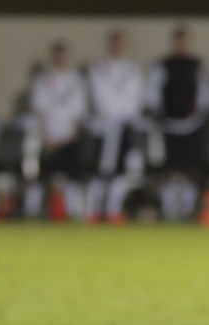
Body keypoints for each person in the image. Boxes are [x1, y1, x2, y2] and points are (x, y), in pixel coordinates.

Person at [145, 26, 209, 221]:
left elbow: (206, 94)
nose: (181, 45)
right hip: (168, 124)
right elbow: (153, 92)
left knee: (191, 170)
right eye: (178, 41)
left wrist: (197, 117)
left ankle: (188, 211)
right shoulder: (163, 65)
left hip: (192, 125)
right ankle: (169, 211)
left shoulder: (197, 65)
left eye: (184, 41)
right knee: (169, 169)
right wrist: (159, 115)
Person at [86, 30, 145, 223]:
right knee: (102, 172)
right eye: (115, 43)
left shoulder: (132, 69)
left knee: (124, 172)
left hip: (127, 127)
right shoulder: (99, 68)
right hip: (105, 129)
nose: (118, 47)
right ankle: (93, 211)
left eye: (121, 43)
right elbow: (99, 97)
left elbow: (137, 98)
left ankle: (113, 210)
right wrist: (110, 118)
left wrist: (129, 119)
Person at [27, 40, 88, 220]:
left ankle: (74, 212)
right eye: (58, 54)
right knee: (42, 177)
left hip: (69, 138)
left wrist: (73, 135)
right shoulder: (43, 80)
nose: (61, 58)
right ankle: (32, 212)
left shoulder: (76, 80)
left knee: (72, 178)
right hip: (49, 138)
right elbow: (39, 110)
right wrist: (46, 136)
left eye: (64, 54)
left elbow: (79, 112)